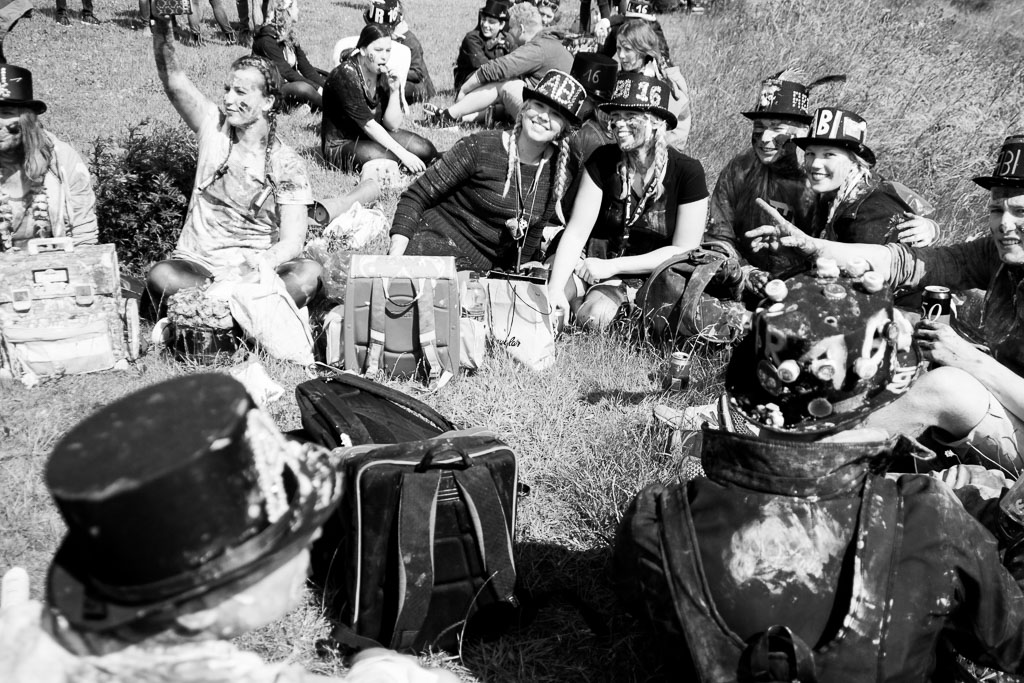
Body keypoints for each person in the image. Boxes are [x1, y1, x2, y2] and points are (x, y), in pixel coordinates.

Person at [614, 270, 1024, 679]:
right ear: (877, 401)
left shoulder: (657, 523)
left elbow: (638, 601)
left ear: (752, 391)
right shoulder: (929, 520)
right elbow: (1013, 645)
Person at [0, 373, 460, 683]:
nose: (316, 536)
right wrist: (381, 668)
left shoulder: (27, 641)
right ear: (199, 610)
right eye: (291, 539)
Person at [746, 134, 1024, 475]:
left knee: (947, 387)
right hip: (1004, 407)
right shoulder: (995, 255)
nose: (1004, 224)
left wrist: (969, 359)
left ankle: (793, 462)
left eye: (1020, 211)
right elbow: (904, 263)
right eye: (997, 209)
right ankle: (799, 436)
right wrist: (816, 247)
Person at [145, 22, 321, 309]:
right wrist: (163, 27)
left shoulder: (287, 163)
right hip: (198, 268)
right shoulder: (213, 128)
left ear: (268, 102)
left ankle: (215, 309)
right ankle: (238, 311)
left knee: (310, 273)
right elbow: (174, 80)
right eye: (227, 89)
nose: (228, 99)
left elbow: (293, 240)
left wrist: (261, 265)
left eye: (240, 92)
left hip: (254, 273)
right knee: (162, 275)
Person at [547, 72, 708, 330]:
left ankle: (588, 309)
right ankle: (572, 302)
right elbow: (577, 231)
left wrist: (612, 267)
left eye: (630, 116)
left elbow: (684, 249)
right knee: (544, 297)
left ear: (656, 122)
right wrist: (555, 289)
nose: (619, 124)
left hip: (642, 274)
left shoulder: (688, 172)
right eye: (615, 117)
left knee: (595, 316)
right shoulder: (602, 159)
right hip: (587, 262)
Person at [390, 69, 584, 272]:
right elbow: (416, 195)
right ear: (525, 107)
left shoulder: (558, 171)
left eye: (555, 114)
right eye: (539, 105)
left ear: (564, 129)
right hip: (435, 242)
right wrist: (394, 259)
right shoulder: (480, 147)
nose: (543, 117)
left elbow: (532, 236)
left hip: (487, 269)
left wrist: (516, 274)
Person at [796, 106, 937, 247]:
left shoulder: (870, 215)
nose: (815, 164)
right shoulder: (839, 192)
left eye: (829, 155)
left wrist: (933, 229)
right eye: (810, 154)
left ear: (854, 161)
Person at [0, 64, 98, 252]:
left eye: (6, 113)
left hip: (55, 265)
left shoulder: (61, 159)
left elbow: (84, 235)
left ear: (27, 119)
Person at [427, 2, 572, 126]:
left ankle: (446, 118)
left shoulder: (537, 47)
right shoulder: (550, 42)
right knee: (505, 99)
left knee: (505, 84)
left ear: (521, 29)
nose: (508, 33)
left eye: (511, 28)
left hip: (548, 116)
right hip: (555, 114)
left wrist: (464, 89)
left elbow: (497, 68)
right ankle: (460, 118)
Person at [321, 23, 437, 174]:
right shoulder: (345, 76)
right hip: (341, 144)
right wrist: (404, 155)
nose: (384, 56)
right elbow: (368, 125)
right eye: (378, 50)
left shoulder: (381, 73)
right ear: (363, 50)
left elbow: (392, 125)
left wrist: (394, 91)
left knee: (425, 149)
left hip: (370, 136)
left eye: (388, 50)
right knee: (391, 159)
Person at [601, 8, 691, 151]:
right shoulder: (620, 78)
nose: (621, 55)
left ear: (643, 50)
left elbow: (678, 132)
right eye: (618, 48)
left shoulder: (666, 82)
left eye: (627, 49)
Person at [252, 0, 326, 111]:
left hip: (288, 83)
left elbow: (306, 68)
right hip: (271, 89)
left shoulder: (288, 34)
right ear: (288, 11)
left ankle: (305, 105)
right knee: (303, 88)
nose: (298, 10)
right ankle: (332, 108)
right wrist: (317, 88)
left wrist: (325, 87)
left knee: (326, 79)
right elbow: (286, 72)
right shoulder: (266, 40)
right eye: (296, 7)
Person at [453, 0, 511, 93]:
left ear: (501, 25)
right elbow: (484, 69)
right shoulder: (472, 39)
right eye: (483, 19)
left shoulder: (508, 39)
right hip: (471, 82)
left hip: (497, 78)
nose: (485, 25)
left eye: (491, 22)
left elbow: (516, 63)